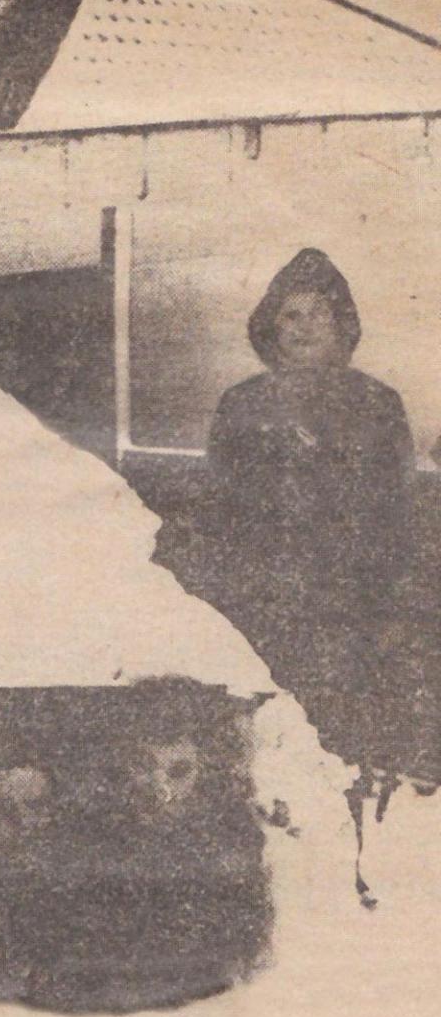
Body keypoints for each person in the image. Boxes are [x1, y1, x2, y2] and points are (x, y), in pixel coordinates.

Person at [196, 248, 420, 774]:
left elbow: (398, 517)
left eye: (318, 312)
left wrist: (392, 611)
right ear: (270, 326)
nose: (304, 326)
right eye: (290, 314)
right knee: (269, 745)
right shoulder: (242, 404)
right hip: (265, 604)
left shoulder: (378, 404)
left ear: (343, 324)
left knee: (346, 743)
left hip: (351, 608)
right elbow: (220, 513)